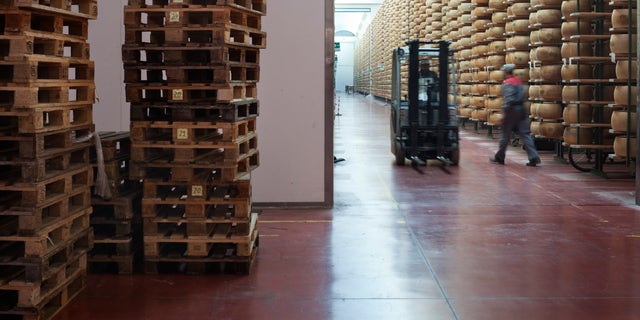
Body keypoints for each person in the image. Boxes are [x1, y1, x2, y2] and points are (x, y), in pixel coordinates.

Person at [490, 64, 541, 166]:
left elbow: (508, 100)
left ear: (506, 72)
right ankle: (534, 157)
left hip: (511, 110)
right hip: (521, 109)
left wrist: (504, 114)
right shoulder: (519, 81)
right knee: (525, 134)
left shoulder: (507, 83)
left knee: (505, 134)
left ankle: (500, 157)